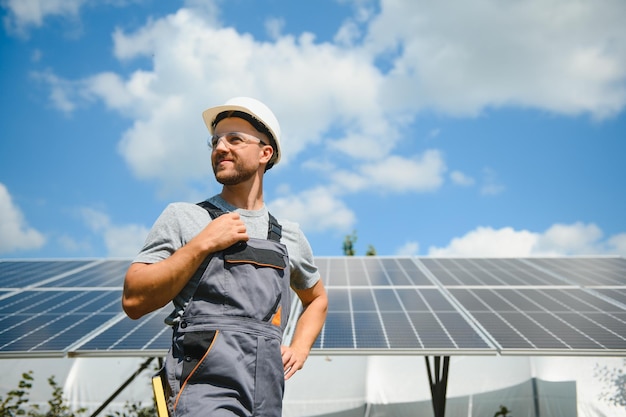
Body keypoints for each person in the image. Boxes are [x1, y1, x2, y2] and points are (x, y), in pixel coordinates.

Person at [122, 97, 328, 417]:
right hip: (203, 390)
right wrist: (201, 244)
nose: (220, 148)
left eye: (234, 139)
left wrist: (300, 348)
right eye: (215, 141)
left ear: (265, 153)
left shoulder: (289, 236)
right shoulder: (184, 217)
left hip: (266, 396)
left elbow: (316, 300)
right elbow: (134, 300)